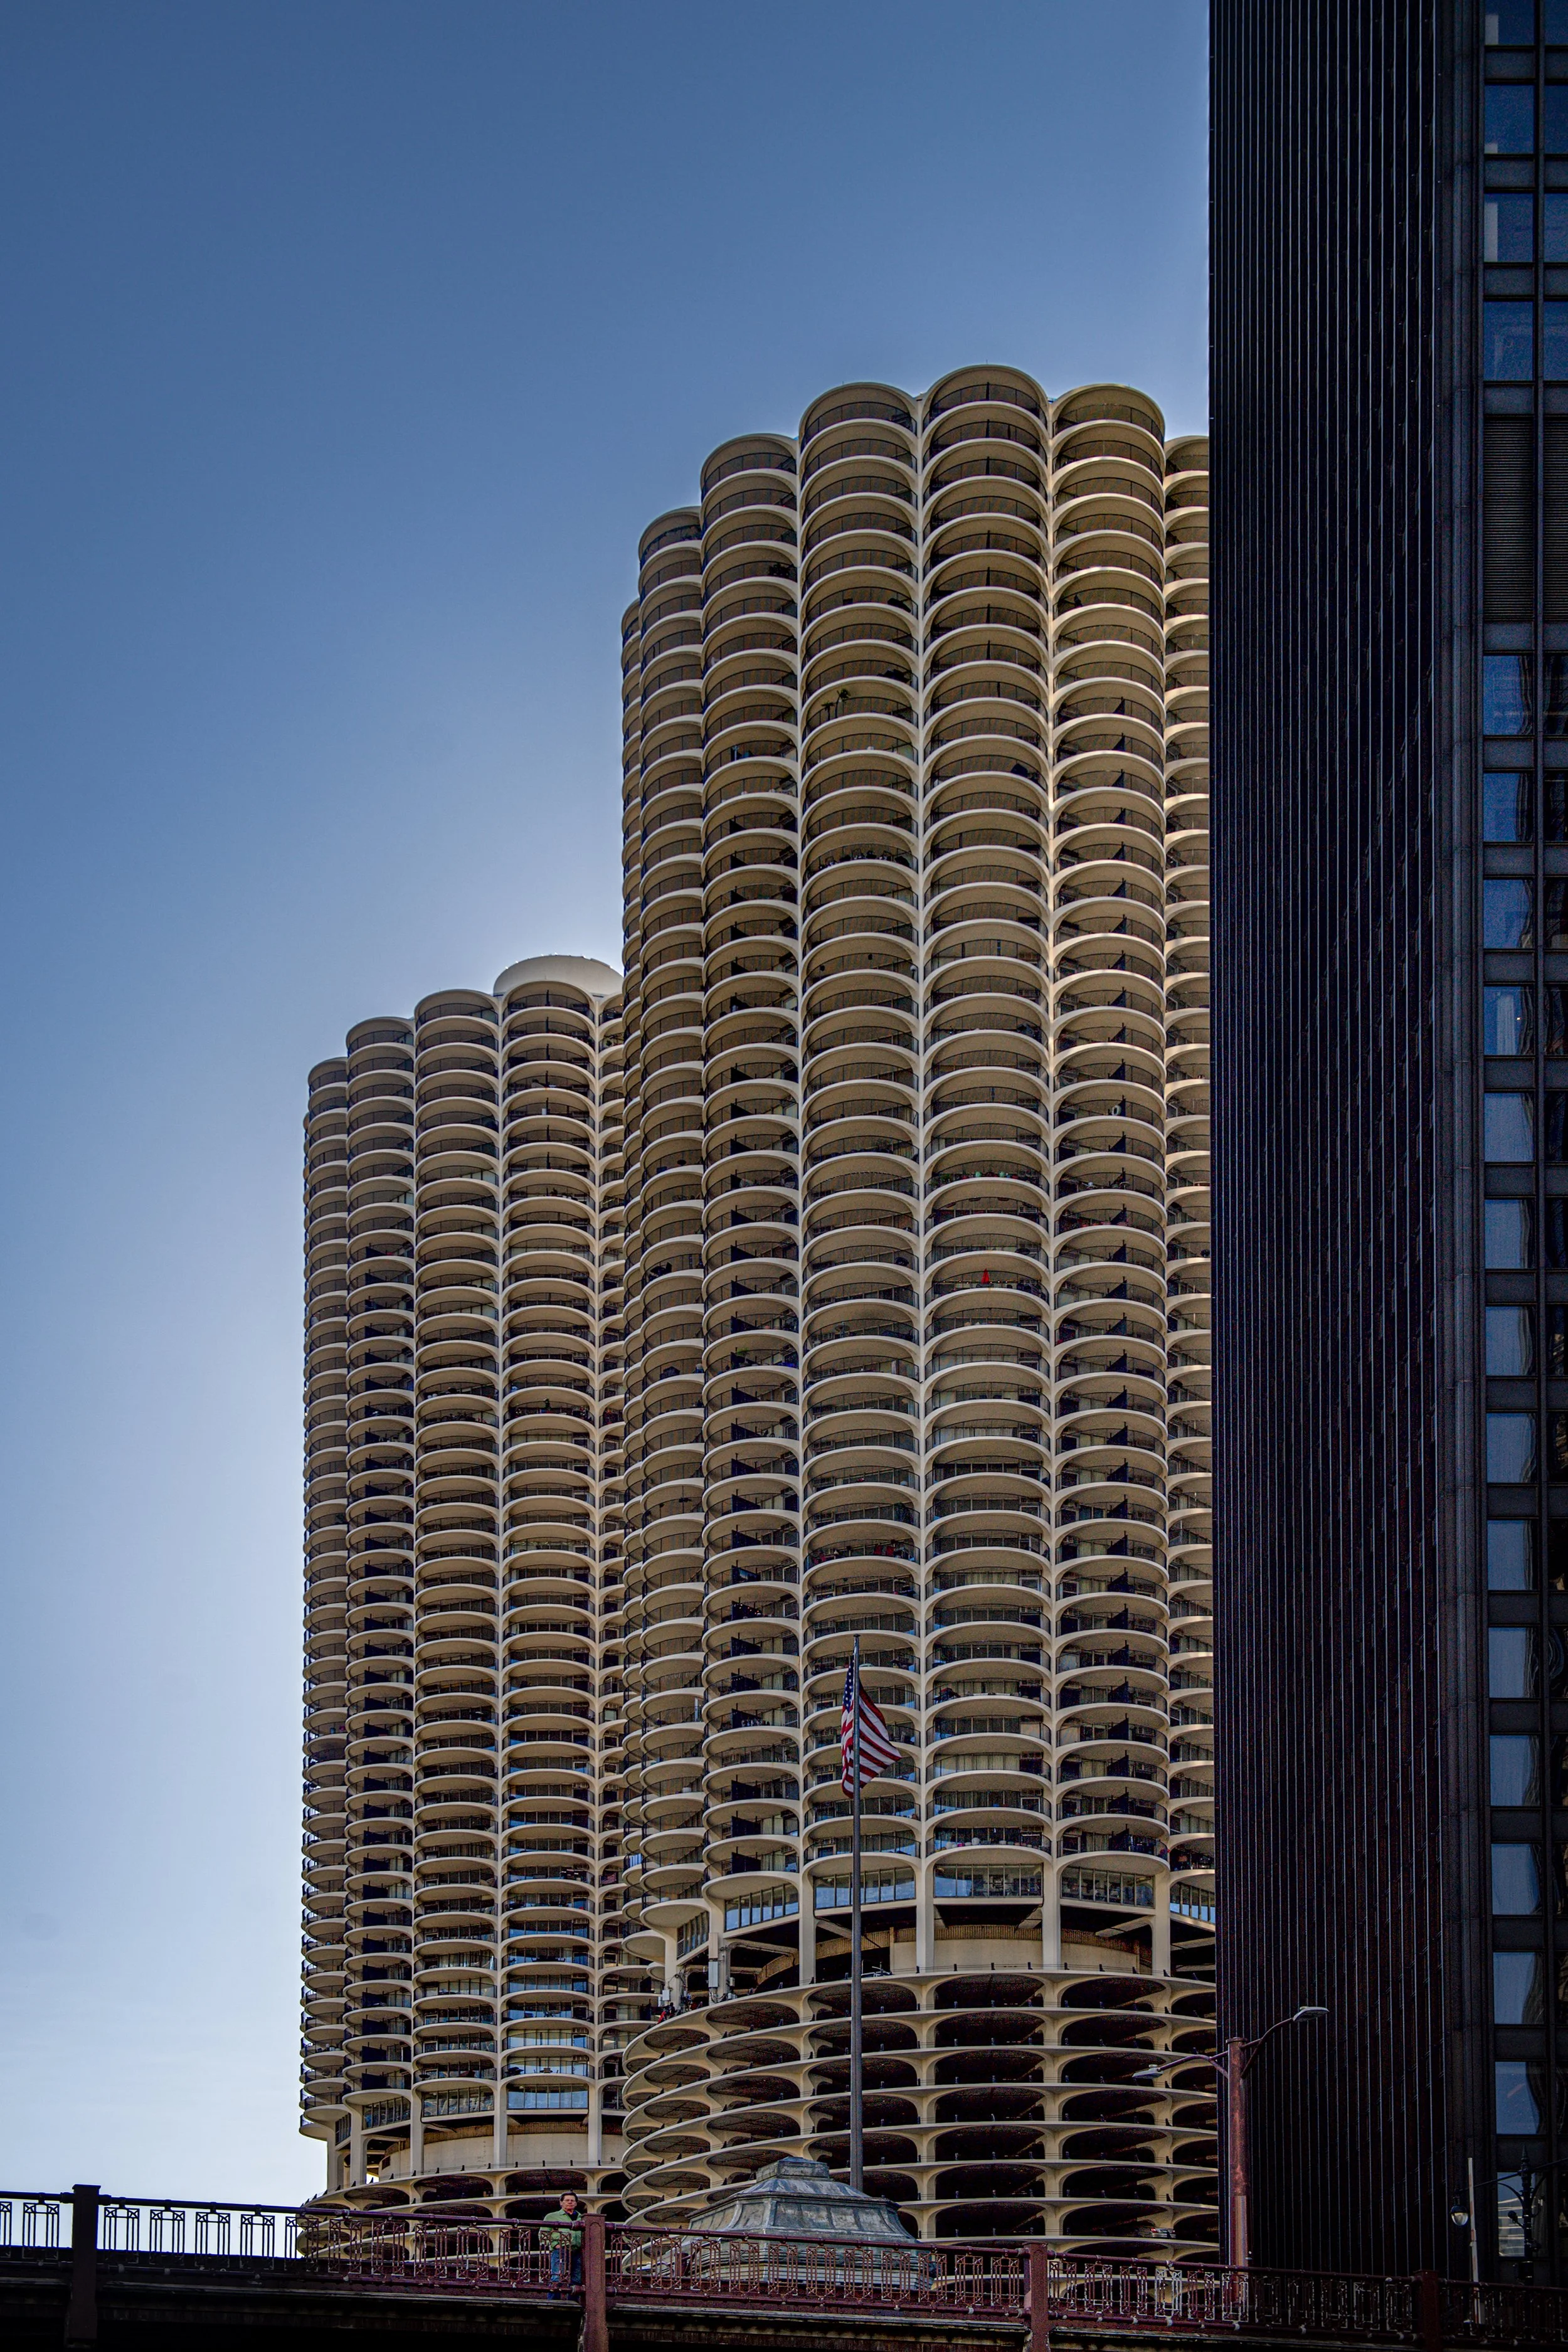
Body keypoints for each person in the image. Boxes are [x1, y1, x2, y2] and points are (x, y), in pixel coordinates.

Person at [541, 2190, 584, 2295]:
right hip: (561, 2250)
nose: (570, 2202)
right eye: (567, 2200)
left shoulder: (582, 2218)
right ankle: (553, 2302)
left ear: (576, 2203)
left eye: (572, 2201)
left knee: (577, 2280)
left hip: (577, 2251)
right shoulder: (551, 2217)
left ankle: (574, 2303)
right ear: (561, 2203)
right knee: (557, 2278)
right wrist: (556, 2245)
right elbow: (543, 2234)